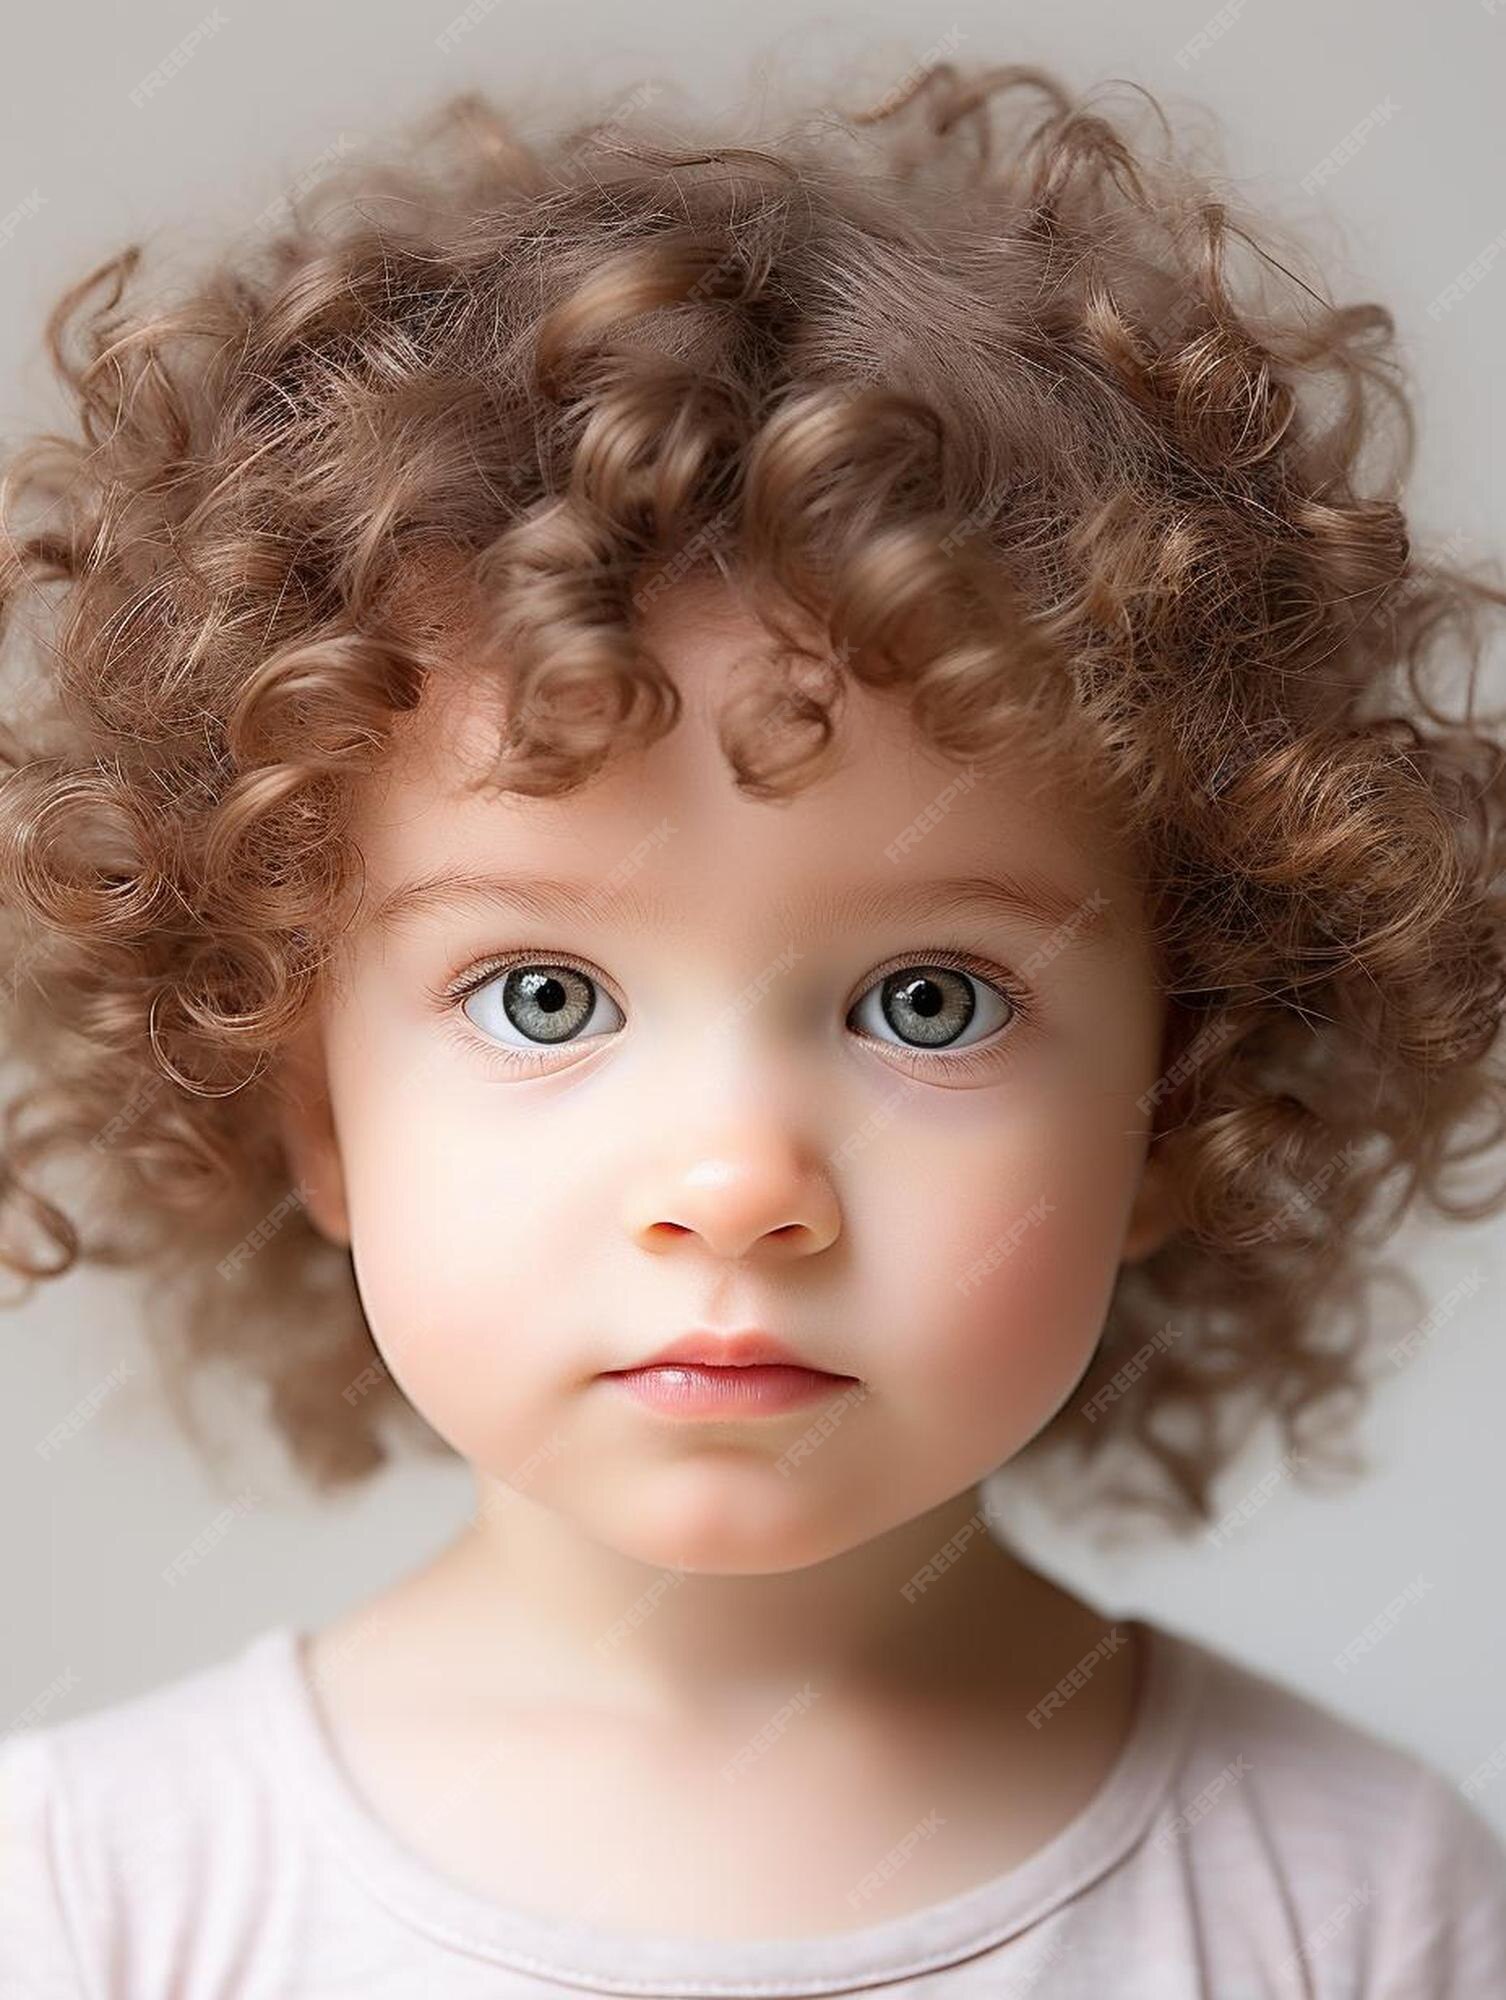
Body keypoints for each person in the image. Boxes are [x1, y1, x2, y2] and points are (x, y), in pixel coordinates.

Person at [2, 55, 1504, 1997]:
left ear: (1176, 1092)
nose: (738, 1182)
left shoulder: (1358, 1906)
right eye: (545, 996)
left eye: (929, 998)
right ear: (312, 1109)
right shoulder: (91, 1899)